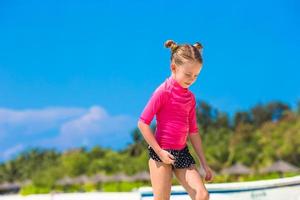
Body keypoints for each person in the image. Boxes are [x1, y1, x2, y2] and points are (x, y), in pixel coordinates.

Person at [137, 39, 213, 200]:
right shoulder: (163, 92)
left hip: (182, 152)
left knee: (202, 195)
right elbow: (142, 123)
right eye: (188, 74)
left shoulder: (190, 99)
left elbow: (193, 132)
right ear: (174, 67)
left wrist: (204, 164)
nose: (191, 79)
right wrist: (159, 151)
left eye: (196, 76)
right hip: (160, 153)